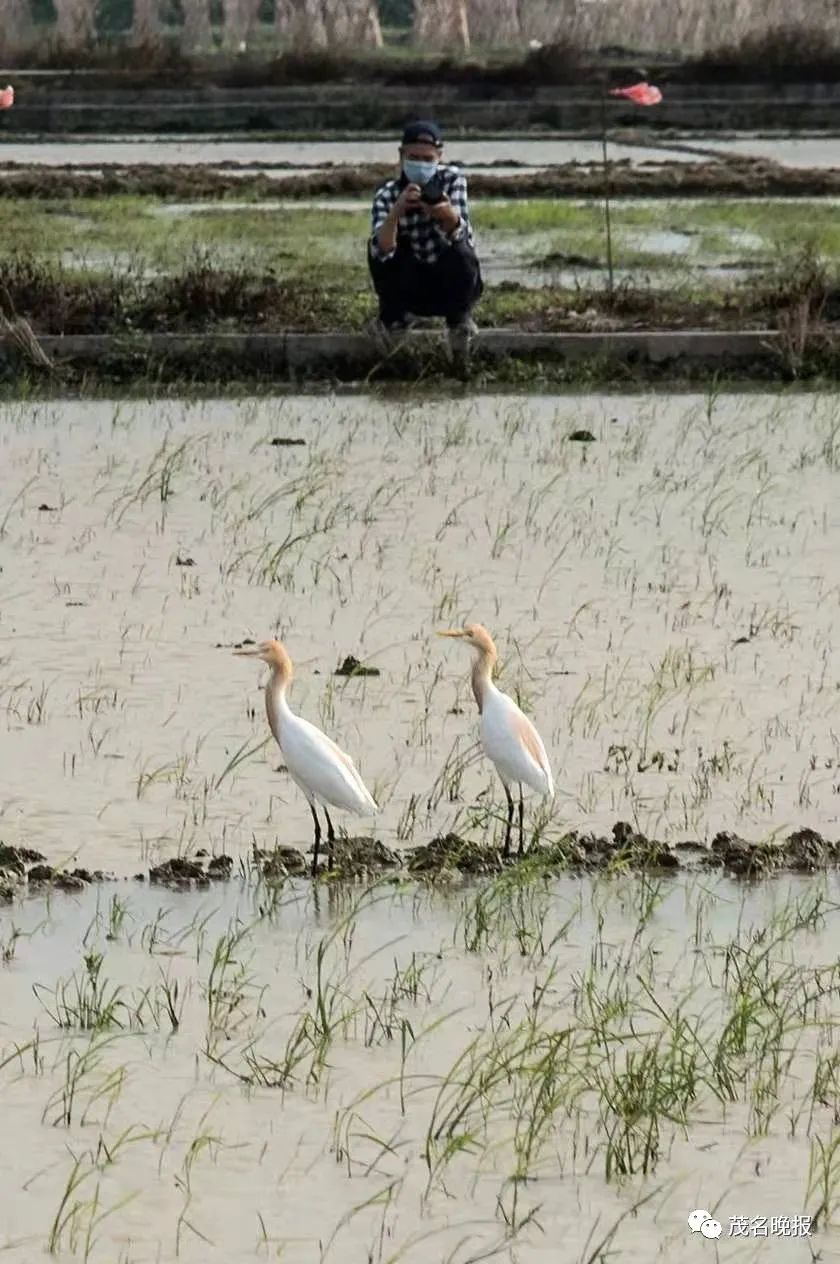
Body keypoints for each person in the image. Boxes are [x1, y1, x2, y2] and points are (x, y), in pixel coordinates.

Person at [367, 119, 483, 361]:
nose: (421, 165)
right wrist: (396, 213)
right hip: (409, 287)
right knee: (376, 245)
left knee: (461, 251)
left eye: (428, 160)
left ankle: (459, 319)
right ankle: (394, 318)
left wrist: (444, 213)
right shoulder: (387, 194)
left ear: (439, 157)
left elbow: (462, 235)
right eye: (414, 158)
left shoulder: (452, 180)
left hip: (447, 284)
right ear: (402, 156)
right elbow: (383, 251)